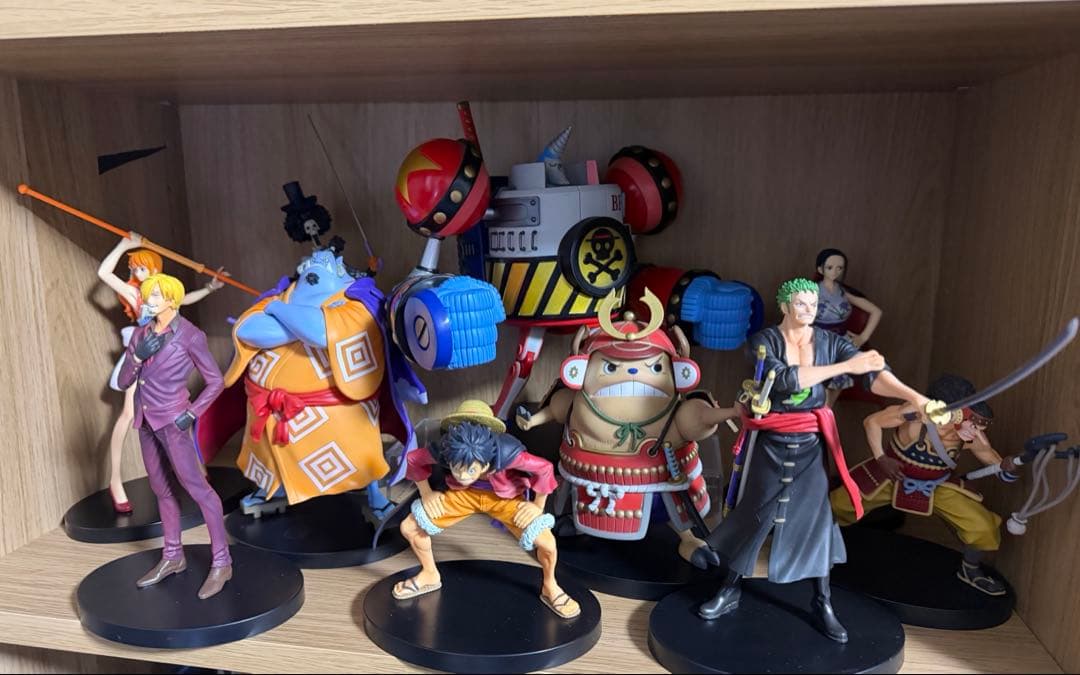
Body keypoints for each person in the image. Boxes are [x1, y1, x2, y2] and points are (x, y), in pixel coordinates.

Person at [700, 278, 929, 643]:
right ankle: (730, 588)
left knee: (818, 521)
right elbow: (787, 380)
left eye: (814, 305)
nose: (810, 311)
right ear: (785, 305)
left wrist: (914, 397)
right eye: (802, 304)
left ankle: (823, 601)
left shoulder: (829, 342)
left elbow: (872, 375)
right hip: (771, 441)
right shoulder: (764, 342)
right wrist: (846, 368)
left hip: (810, 443)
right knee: (755, 513)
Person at [831, 374, 1018, 595]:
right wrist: (881, 458)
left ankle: (971, 569)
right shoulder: (914, 415)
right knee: (837, 506)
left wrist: (1003, 467)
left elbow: (987, 454)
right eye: (968, 418)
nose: (974, 428)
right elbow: (872, 422)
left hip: (937, 485)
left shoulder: (969, 434)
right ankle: (820, 549)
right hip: (891, 477)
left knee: (982, 526)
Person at [394, 400, 580, 619]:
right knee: (409, 527)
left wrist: (537, 506)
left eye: (471, 470)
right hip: (463, 496)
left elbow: (545, 468)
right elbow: (413, 459)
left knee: (547, 543)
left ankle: (550, 585)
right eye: (457, 469)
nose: (463, 476)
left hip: (504, 500)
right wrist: (426, 493)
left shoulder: (508, 452)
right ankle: (429, 574)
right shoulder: (448, 448)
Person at [116, 273, 231, 599]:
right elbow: (124, 382)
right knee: (160, 488)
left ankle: (222, 561)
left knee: (198, 489)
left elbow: (216, 381)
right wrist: (136, 357)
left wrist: (192, 413)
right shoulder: (141, 334)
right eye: (147, 295)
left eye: (155, 296)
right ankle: (172, 555)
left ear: (171, 299)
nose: (148, 301)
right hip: (145, 420)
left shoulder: (190, 336)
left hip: (173, 421)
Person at [97, 232, 224, 512]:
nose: (136, 274)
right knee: (128, 415)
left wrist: (210, 288)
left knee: (177, 409)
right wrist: (124, 245)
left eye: (141, 268)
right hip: (141, 357)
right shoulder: (136, 294)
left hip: (166, 360)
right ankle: (115, 480)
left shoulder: (164, 293)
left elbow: (185, 299)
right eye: (133, 269)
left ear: (154, 269)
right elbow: (103, 273)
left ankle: (195, 467)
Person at [813, 248, 883, 407]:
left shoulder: (843, 292)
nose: (835, 271)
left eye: (840, 268)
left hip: (841, 343)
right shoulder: (812, 291)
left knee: (838, 382)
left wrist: (863, 337)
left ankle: (827, 413)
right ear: (820, 269)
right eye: (830, 267)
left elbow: (876, 311)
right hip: (817, 343)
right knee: (820, 385)